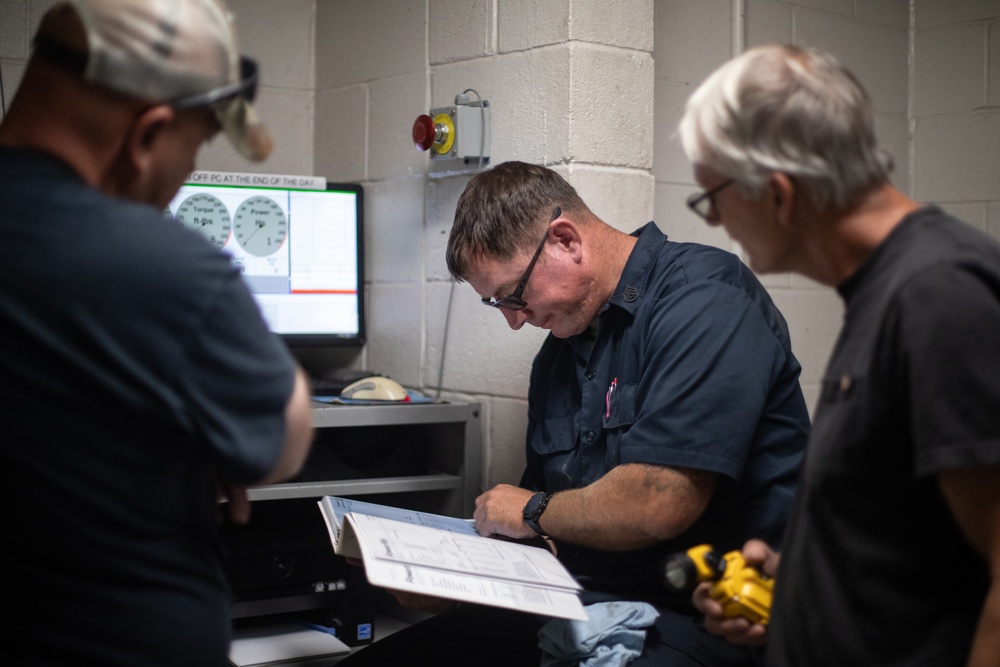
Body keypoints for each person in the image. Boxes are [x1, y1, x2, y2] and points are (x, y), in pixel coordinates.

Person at [337, 160, 810, 666]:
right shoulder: (561, 352)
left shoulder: (704, 299)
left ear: (565, 240)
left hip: (705, 620)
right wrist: (453, 584)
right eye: (497, 305)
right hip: (577, 604)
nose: (517, 322)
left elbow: (659, 501)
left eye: (514, 296)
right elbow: (548, 536)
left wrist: (531, 509)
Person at [0, 1, 314, 665]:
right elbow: (282, 442)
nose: (182, 182)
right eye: (195, 148)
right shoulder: (161, 263)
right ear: (147, 134)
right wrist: (211, 437)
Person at [678, 43, 1000, 666]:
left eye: (712, 196)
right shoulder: (883, 290)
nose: (714, 220)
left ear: (780, 193)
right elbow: (911, 534)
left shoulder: (938, 292)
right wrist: (797, 587)